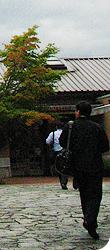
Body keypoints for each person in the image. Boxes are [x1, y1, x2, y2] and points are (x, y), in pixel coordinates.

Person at [60, 100, 109, 240]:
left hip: (77, 166)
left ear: (78, 112)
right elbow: (105, 146)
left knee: (84, 194)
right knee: (95, 194)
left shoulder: (70, 127)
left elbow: (63, 143)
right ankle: (91, 219)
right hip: (94, 165)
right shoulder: (97, 127)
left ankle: (88, 218)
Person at [46, 123, 69, 188]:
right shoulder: (65, 133)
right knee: (64, 165)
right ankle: (64, 181)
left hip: (56, 151)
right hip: (64, 151)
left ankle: (61, 180)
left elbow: (47, 141)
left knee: (58, 166)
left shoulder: (52, 134)